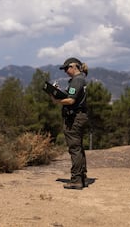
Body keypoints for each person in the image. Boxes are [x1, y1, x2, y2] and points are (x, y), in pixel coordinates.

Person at [51, 57, 89, 190]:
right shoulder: (78, 80)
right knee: (78, 147)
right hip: (79, 117)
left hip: (74, 118)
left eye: (67, 68)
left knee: (75, 148)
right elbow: (69, 95)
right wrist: (56, 92)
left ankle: (77, 180)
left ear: (75, 67)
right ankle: (82, 177)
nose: (66, 71)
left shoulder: (77, 80)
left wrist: (57, 101)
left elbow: (71, 101)